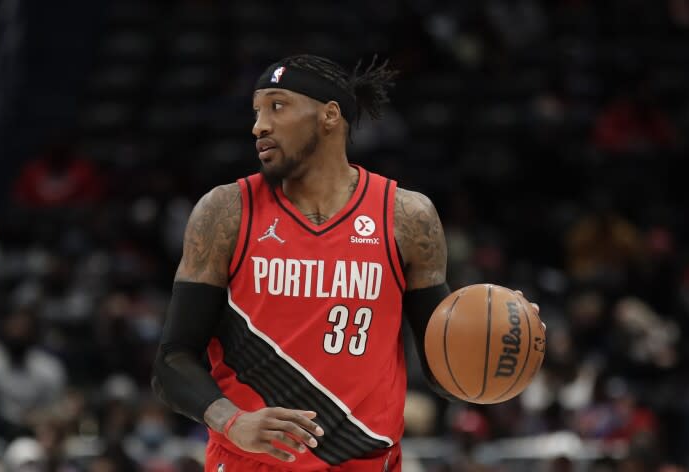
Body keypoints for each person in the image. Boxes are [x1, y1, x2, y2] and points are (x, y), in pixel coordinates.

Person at [152, 54, 536, 471]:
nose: (259, 125)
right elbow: (172, 359)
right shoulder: (226, 212)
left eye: (277, 106)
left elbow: (444, 372)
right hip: (251, 463)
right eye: (257, 111)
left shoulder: (406, 217)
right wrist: (232, 421)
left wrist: (502, 337)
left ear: (329, 116)